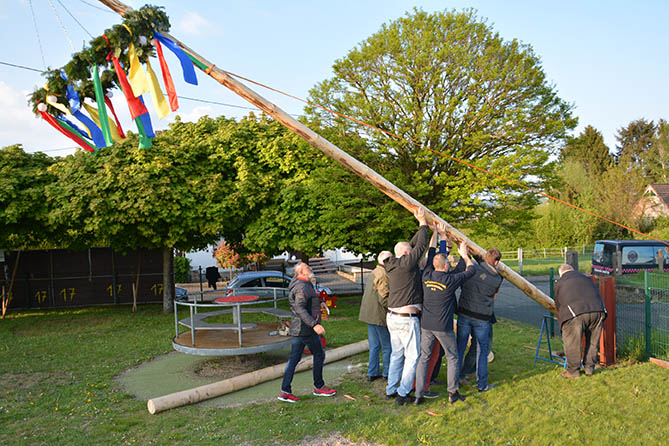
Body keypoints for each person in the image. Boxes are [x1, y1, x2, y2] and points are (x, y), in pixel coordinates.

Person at [414, 223, 475, 406]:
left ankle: (418, 395)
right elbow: (471, 270)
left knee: (423, 358)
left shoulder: (426, 275)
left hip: (426, 325)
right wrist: (464, 255)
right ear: (447, 265)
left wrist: (439, 235)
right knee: (453, 357)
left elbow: (432, 255)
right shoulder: (450, 280)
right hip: (442, 327)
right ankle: (452, 392)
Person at [384, 207, 429, 406]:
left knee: (396, 354)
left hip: (392, 317)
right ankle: (403, 393)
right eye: (409, 251)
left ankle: (391, 389)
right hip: (406, 319)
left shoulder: (393, 263)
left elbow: (412, 245)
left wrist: (421, 228)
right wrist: (423, 223)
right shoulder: (407, 264)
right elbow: (420, 247)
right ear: (406, 254)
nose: (412, 252)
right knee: (412, 356)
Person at [278, 262, 336, 402]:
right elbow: (300, 308)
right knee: (319, 354)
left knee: (294, 359)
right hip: (305, 329)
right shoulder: (301, 286)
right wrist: (314, 325)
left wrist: (319, 302)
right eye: (307, 268)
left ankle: (285, 391)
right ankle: (319, 387)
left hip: (300, 329)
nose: (310, 269)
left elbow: (308, 302)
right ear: (301, 273)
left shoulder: (304, 283)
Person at [456, 247, 503, 393]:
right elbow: (494, 296)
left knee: (460, 348)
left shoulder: (472, 269)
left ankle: (456, 380)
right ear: (496, 262)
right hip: (482, 318)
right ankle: (482, 385)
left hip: (464, 314)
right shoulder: (497, 279)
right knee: (482, 351)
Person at [554, 264, 606, 378]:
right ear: (572, 270)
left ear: (561, 273)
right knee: (593, 342)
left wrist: (562, 319)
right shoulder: (586, 278)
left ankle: (573, 371)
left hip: (575, 313)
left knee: (572, 342)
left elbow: (558, 304)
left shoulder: (560, 283)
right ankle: (589, 369)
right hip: (598, 310)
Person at [359, 250, 393, 381]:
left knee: (374, 346)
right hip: (379, 315)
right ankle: (387, 373)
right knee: (387, 346)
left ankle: (372, 373)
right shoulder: (384, 275)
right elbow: (384, 298)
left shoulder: (375, 272)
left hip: (369, 314)